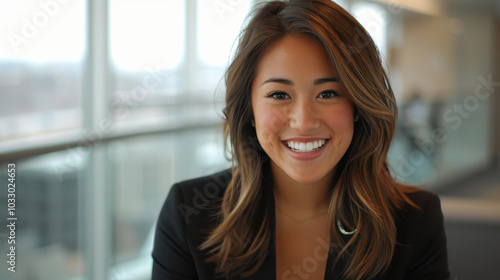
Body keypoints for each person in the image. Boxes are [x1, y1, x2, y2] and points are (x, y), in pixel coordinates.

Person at [151, 0, 449, 279]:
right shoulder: (188, 213)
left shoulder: (414, 221)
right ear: (249, 108)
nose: (304, 122)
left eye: (328, 94)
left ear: (359, 105)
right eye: (279, 95)